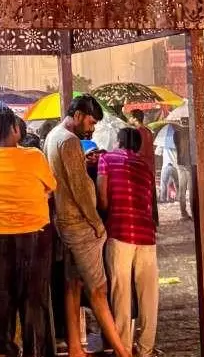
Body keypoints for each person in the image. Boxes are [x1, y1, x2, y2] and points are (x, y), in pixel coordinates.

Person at [43, 95, 130, 357]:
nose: (92, 128)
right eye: (91, 122)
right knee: (98, 290)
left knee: (73, 285)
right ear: (78, 115)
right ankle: (122, 351)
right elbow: (79, 189)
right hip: (81, 225)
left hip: (64, 222)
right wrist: (96, 224)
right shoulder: (69, 141)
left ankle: (75, 347)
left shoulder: (53, 136)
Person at [0, 107, 56, 357]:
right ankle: (34, 350)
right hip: (34, 235)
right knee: (33, 297)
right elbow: (52, 185)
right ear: (14, 129)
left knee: (1, 295)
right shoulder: (33, 156)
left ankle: (3, 347)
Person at [97, 127, 160, 357]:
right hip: (147, 235)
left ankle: (123, 347)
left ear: (118, 141)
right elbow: (150, 203)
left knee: (121, 291)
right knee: (148, 295)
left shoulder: (106, 158)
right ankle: (146, 349)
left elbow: (102, 198)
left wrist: (105, 212)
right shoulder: (145, 166)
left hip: (120, 231)